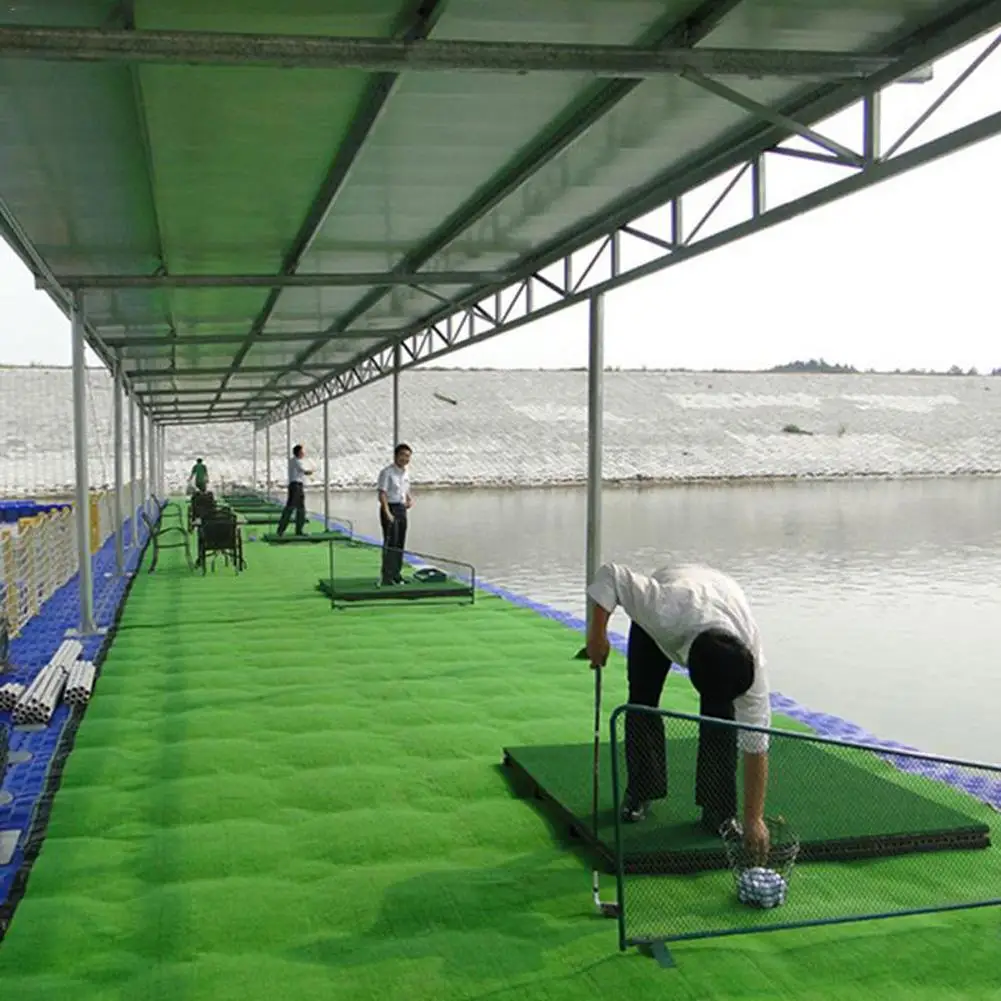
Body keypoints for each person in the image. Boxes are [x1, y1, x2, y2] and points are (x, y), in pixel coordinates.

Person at [584, 561, 771, 857]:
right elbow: (611, 575)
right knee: (642, 699)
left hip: (719, 593)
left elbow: (756, 744)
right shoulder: (660, 609)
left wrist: (754, 818)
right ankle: (640, 792)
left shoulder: (751, 665)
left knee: (722, 722)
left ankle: (718, 811)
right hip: (672, 599)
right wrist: (597, 634)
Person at [377, 443, 413, 586]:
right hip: (390, 508)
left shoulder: (406, 472)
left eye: (408, 456)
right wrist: (386, 512)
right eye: (403, 455)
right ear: (396, 456)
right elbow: (382, 493)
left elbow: (405, 490)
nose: (405, 459)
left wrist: (409, 499)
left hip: (401, 509)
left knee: (400, 542)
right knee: (390, 542)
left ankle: (397, 574)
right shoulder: (387, 472)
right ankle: (387, 576)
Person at [276, 444, 312, 537]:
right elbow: (304, 471)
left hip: (298, 486)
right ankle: (281, 530)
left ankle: (299, 530)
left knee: (301, 509)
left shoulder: (294, 461)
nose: (304, 453)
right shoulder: (296, 461)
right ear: (299, 452)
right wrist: (311, 471)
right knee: (290, 508)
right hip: (295, 486)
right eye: (302, 451)